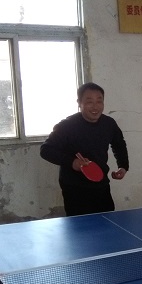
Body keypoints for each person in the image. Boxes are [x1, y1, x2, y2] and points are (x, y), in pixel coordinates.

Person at [41, 82, 129, 216]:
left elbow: (119, 144)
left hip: (101, 185)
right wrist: (72, 162)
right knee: (80, 226)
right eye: (89, 102)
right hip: (74, 189)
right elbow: (46, 150)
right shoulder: (67, 126)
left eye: (99, 101)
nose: (95, 106)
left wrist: (123, 166)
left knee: (107, 223)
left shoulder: (109, 124)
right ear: (79, 103)